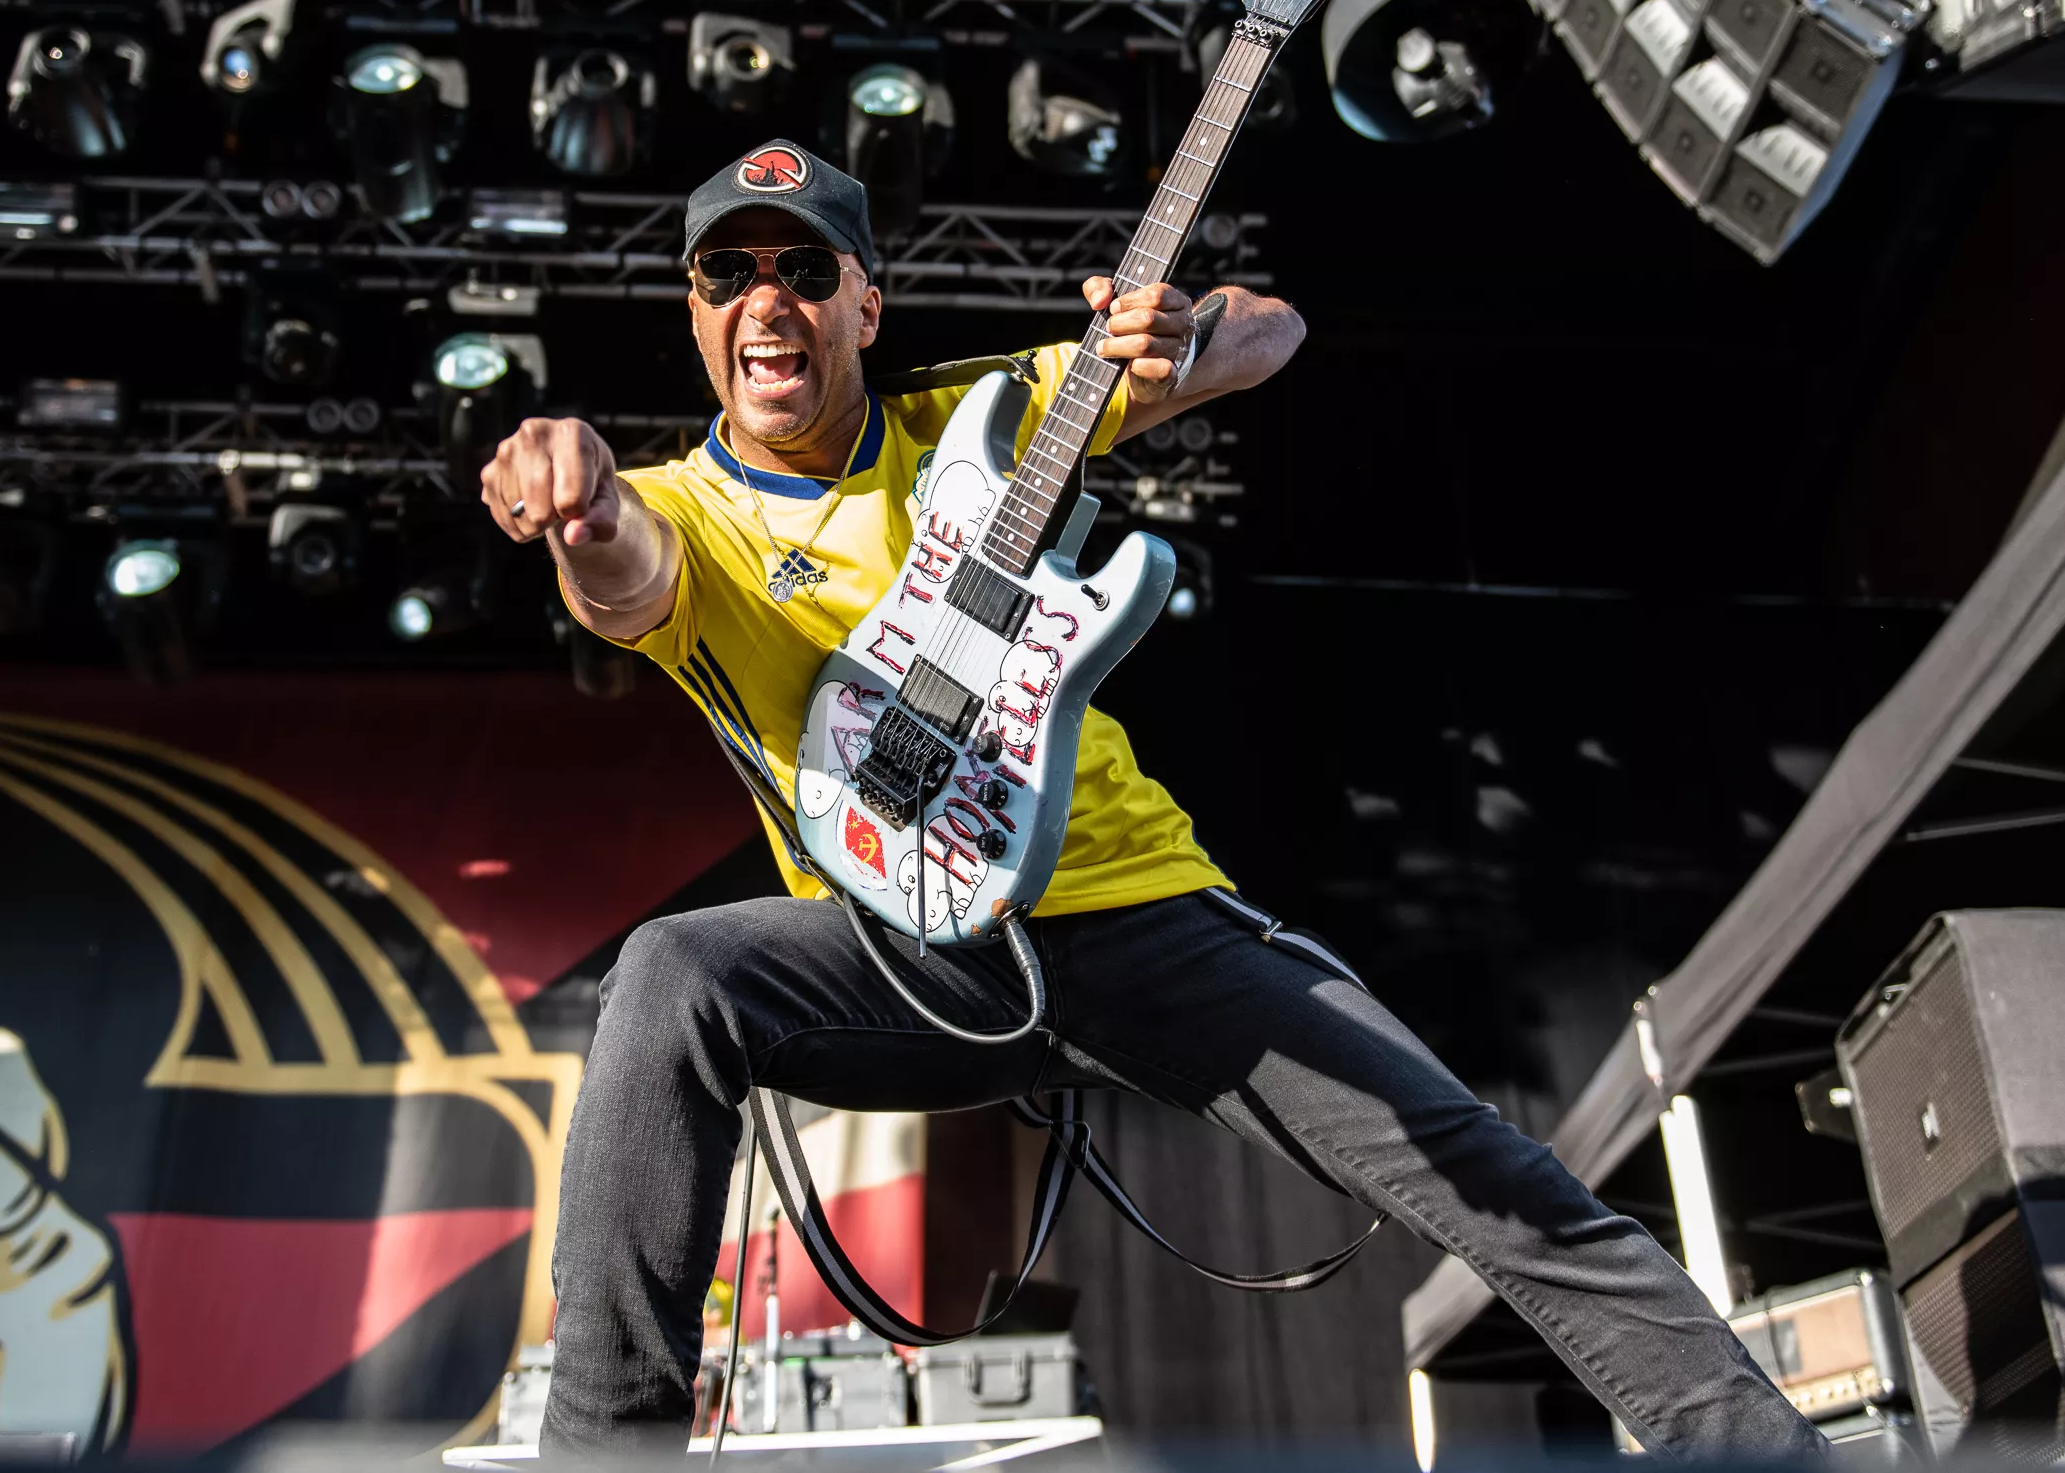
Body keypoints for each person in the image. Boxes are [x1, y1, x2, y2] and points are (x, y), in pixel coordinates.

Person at [479, 140, 1821, 1460]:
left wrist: (1192, 333)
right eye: (729, 274)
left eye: (805, 271)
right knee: (672, 974)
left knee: (1480, 1164)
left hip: (1137, 915)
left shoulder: (985, 413)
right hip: (905, 953)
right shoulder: (677, 509)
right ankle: (602, 1454)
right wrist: (584, 510)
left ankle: (1758, 1447)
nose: (767, 300)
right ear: (696, 311)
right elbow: (628, 578)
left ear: (864, 307)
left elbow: (1276, 332)